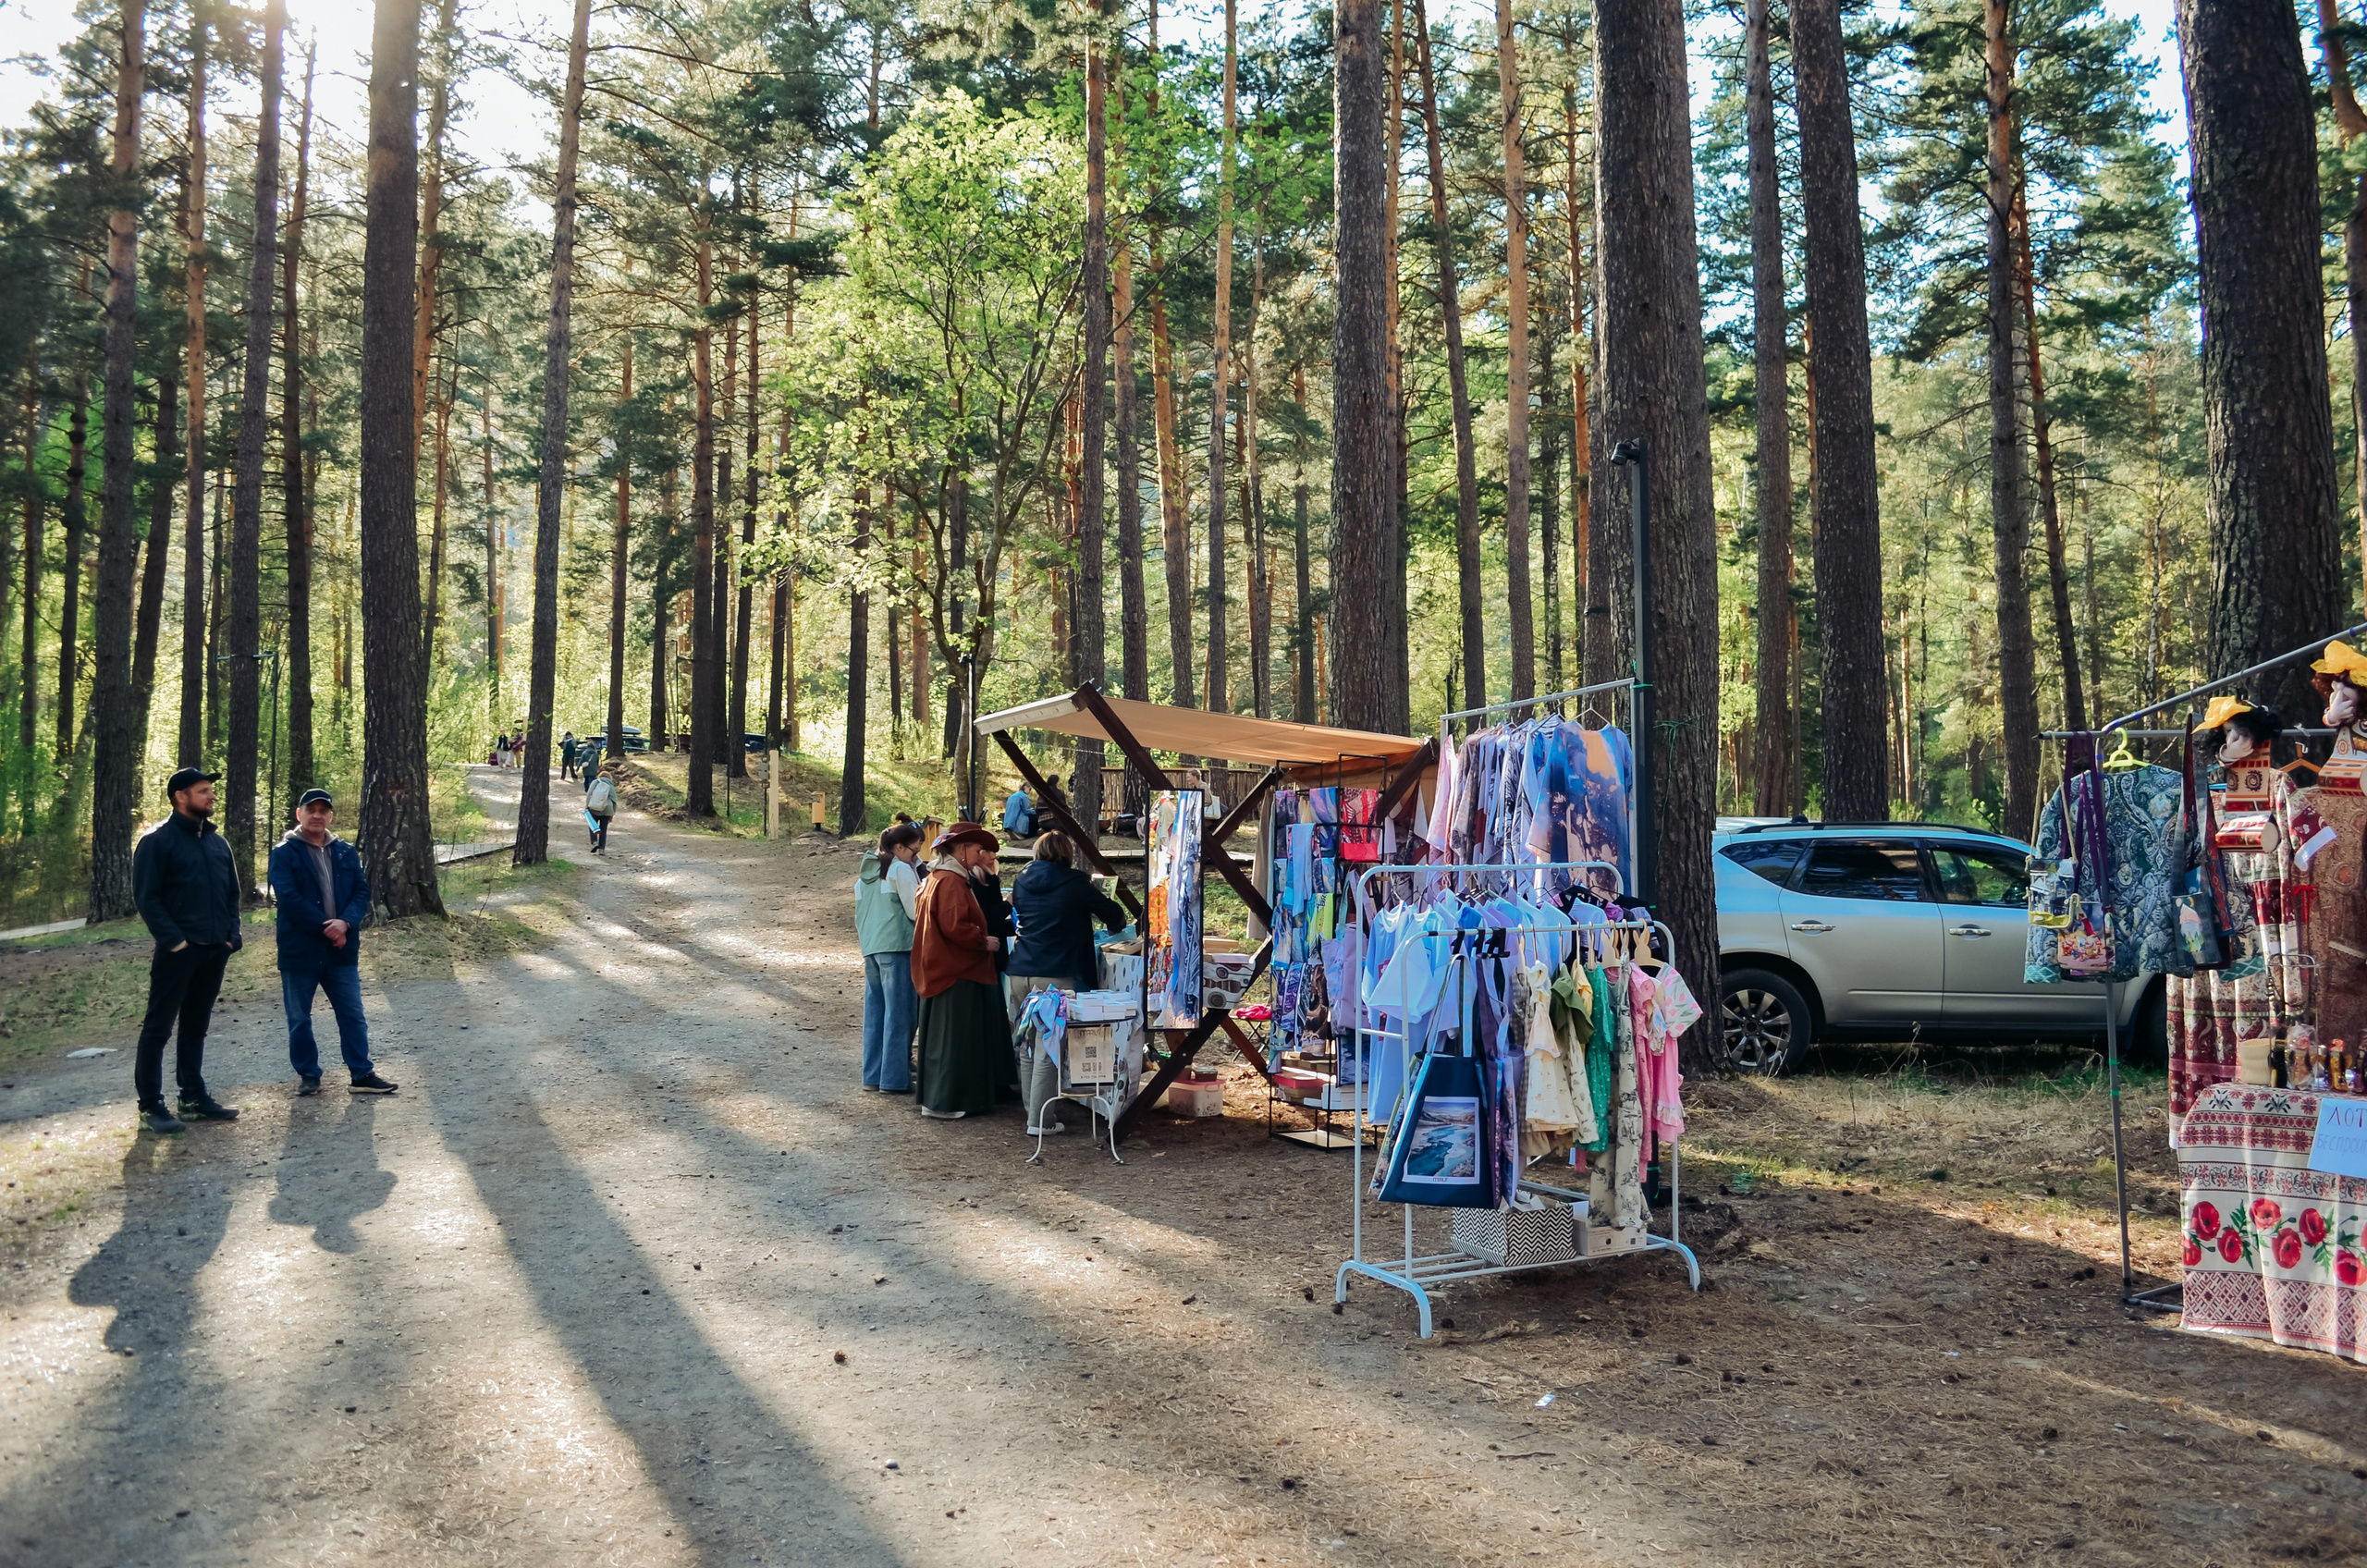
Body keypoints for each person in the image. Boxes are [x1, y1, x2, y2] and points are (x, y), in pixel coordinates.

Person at [128, 768, 245, 1134]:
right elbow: (147, 897)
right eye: (203, 790)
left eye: (211, 790)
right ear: (181, 796)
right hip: (178, 953)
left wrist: (231, 938)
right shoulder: (156, 841)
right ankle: (150, 1106)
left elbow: (232, 895)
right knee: (158, 1029)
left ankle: (192, 1098)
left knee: (196, 1026)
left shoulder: (217, 843)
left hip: (215, 950)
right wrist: (176, 943)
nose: (212, 796)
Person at [267, 788, 397, 1096]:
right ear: (299, 814)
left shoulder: (345, 852)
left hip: (341, 951)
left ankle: (362, 1074)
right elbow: (288, 898)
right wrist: (328, 929)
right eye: (310, 810)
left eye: (323, 810)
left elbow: (361, 892)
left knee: (353, 1014)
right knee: (299, 1018)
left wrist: (346, 923)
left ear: (330, 816)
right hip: (300, 950)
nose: (317, 815)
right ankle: (309, 1075)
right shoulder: (284, 852)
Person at [1005, 831, 1130, 1136]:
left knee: (1028, 1044)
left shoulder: (1021, 880)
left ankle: (1032, 1112)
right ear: (1066, 853)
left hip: (1020, 969)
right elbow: (1113, 914)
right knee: (1048, 1047)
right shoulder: (1075, 882)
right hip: (1055, 972)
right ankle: (1040, 1121)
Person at [912, 823, 1016, 1120]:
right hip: (955, 971)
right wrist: (983, 941)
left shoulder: (935, 879)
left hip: (942, 968)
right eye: (977, 849)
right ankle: (948, 1101)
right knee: (954, 1040)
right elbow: (955, 926)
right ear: (961, 850)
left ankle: (942, 1099)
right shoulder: (951, 882)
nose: (981, 854)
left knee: (945, 1039)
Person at [856, 823, 925, 1094]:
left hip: (871, 947)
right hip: (897, 946)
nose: (915, 856)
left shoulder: (864, 877)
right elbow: (915, 911)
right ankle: (894, 1079)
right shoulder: (900, 870)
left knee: (875, 1013)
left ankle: (872, 1075)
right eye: (914, 851)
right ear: (899, 847)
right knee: (901, 1014)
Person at [584, 762, 620, 853]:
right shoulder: (611, 785)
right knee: (603, 829)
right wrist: (613, 813)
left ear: (599, 776)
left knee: (593, 825)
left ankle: (594, 842)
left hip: (594, 807)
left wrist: (587, 806)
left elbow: (589, 794)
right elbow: (614, 799)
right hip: (607, 809)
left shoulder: (595, 782)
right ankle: (601, 849)